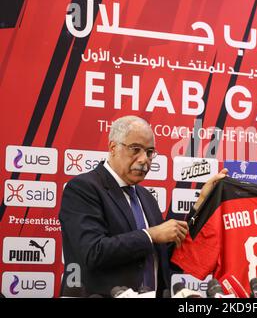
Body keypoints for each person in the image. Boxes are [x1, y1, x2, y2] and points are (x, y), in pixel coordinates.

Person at [59, 115, 226, 297]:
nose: (144, 159)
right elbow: (92, 252)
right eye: (135, 149)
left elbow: (164, 255)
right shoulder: (83, 188)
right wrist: (150, 235)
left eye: (149, 152)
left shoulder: (145, 197)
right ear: (113, 148)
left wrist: (201, 203)